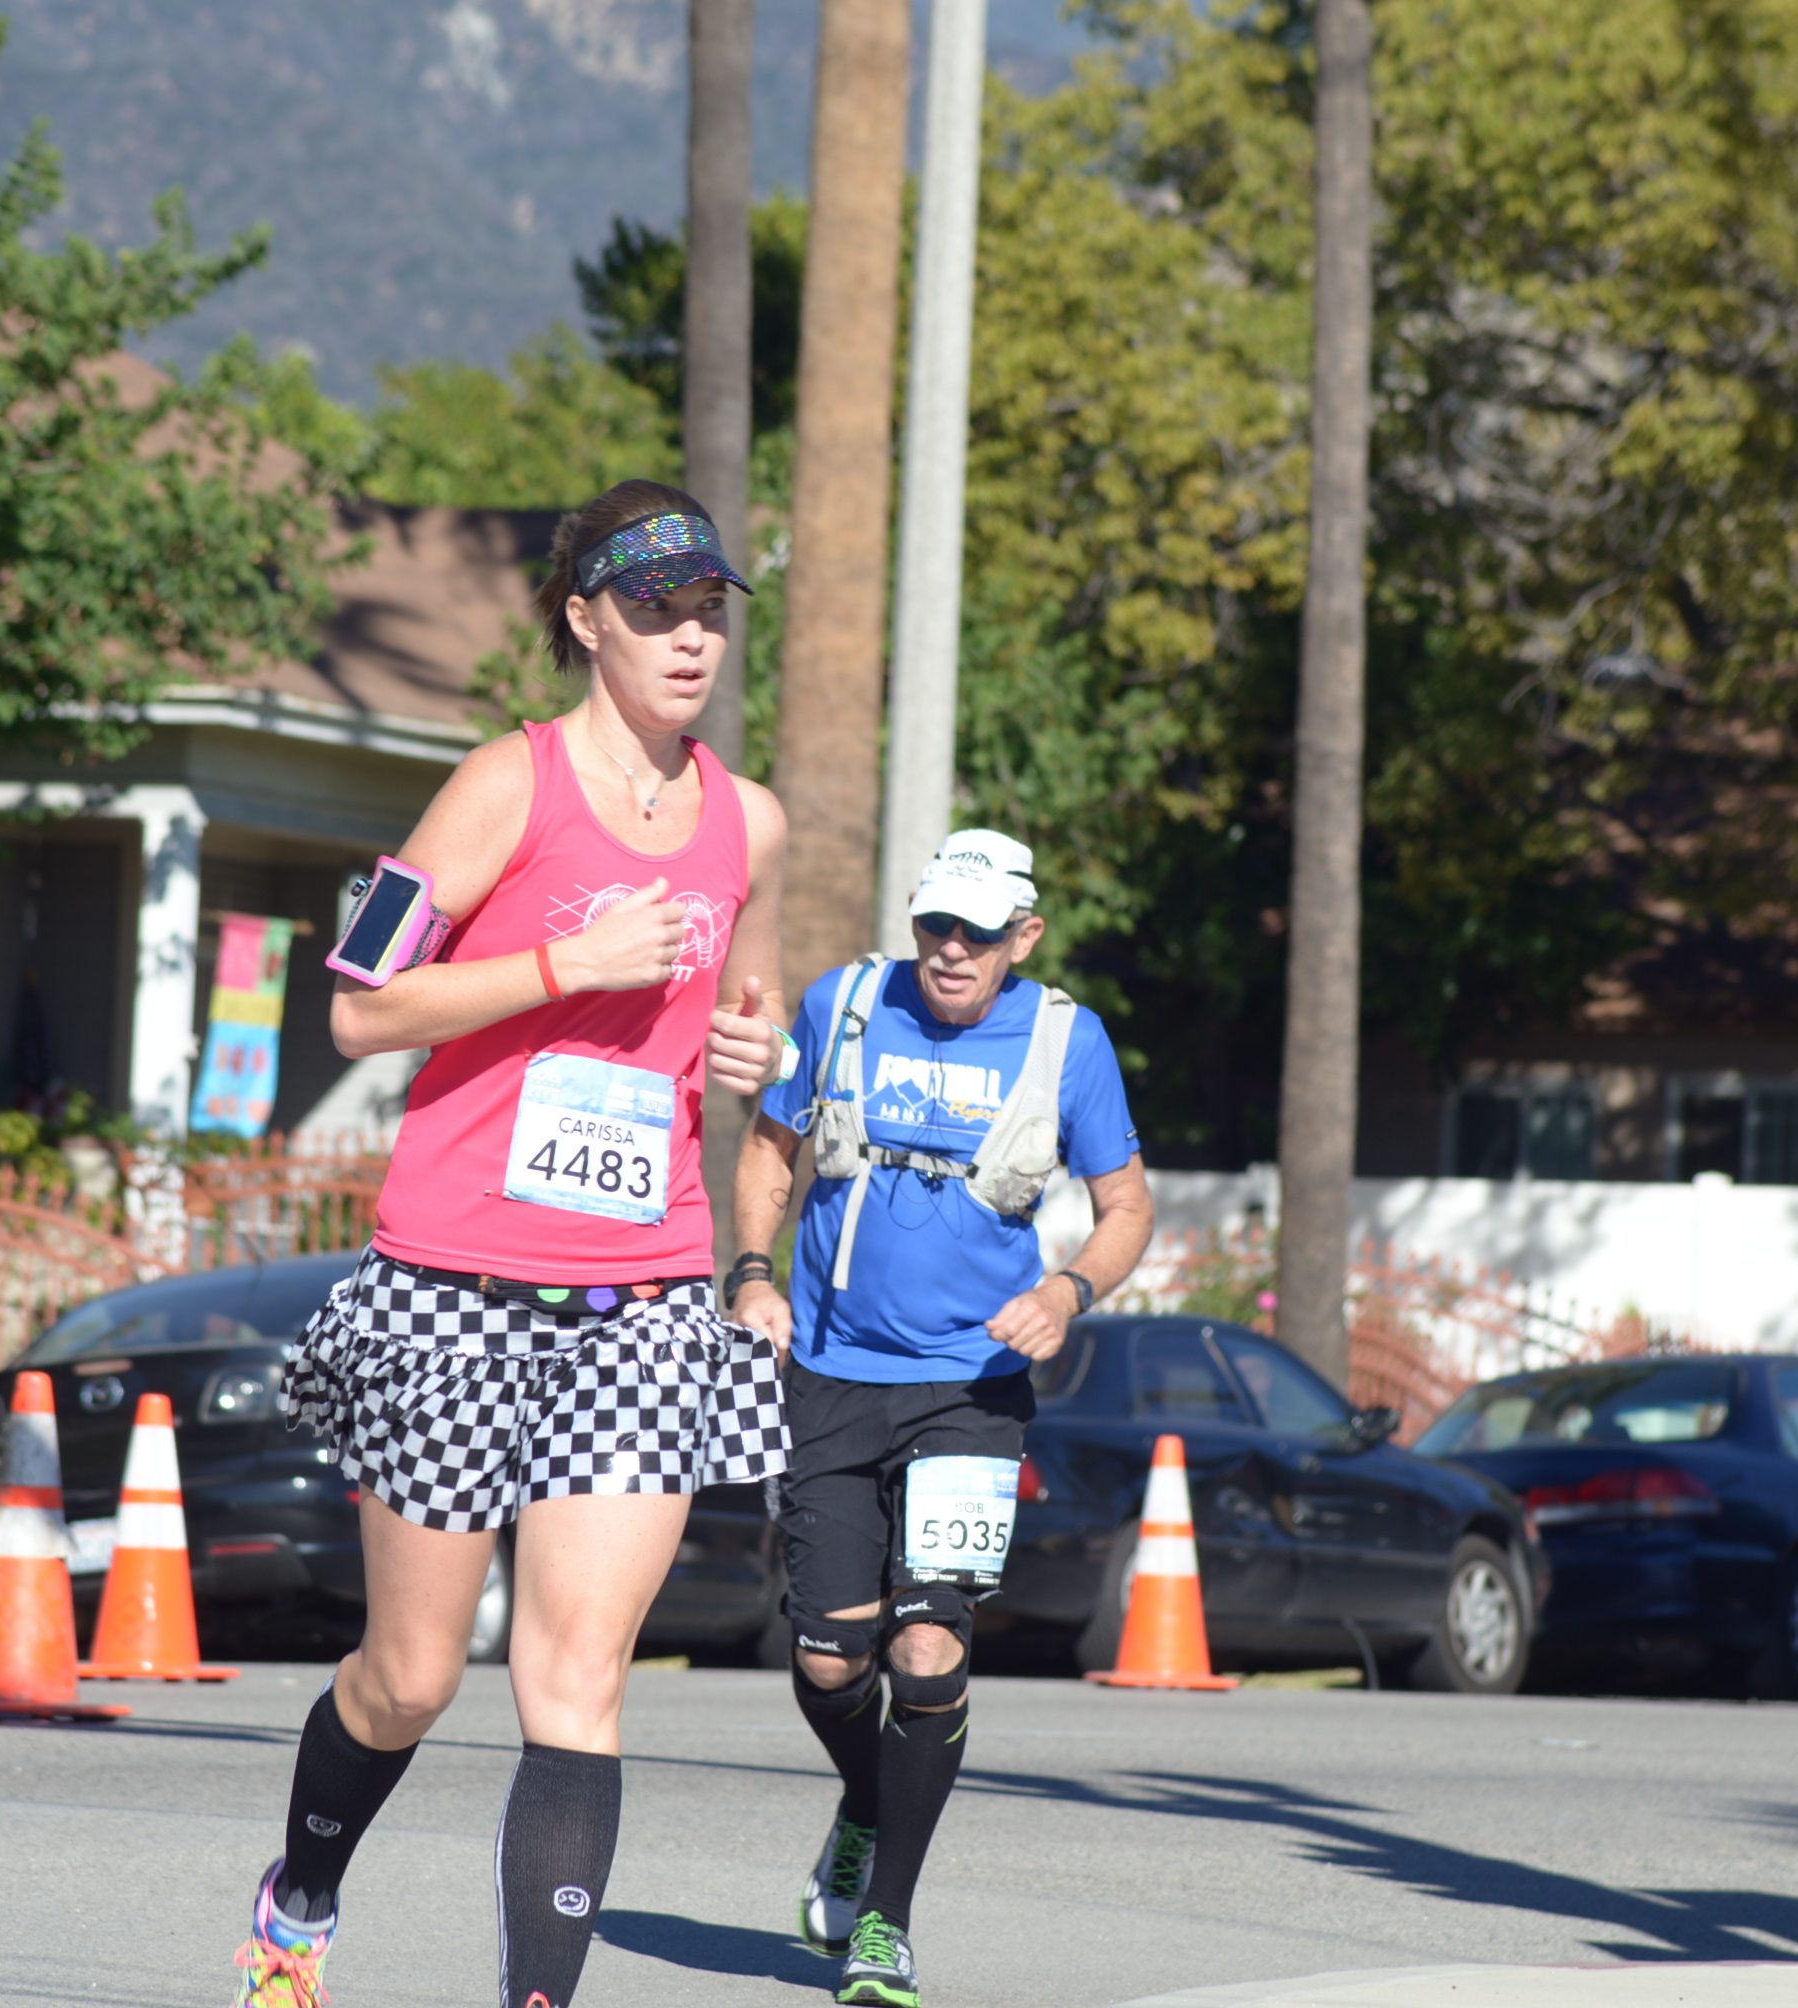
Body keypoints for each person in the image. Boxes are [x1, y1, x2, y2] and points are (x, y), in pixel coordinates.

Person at [238, 481, 794, 2008]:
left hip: (641, 1298)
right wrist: (569, 963)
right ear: (586, 619)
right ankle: (300, 1900)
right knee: (411, 1677)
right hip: (454, 1286)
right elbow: (359, 1009)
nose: (691, 640)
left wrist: (759, 1060)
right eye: (658, 611)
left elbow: (754, 1034)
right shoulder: (506, 783)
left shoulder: (749, 821)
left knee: (578, 1680)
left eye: (708, 611)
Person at [730, 829, 1154, 2008]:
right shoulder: (843, 1004)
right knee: (829, 1658)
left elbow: (1125, 1206)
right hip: (828, 1373)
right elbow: (768, 1147)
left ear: (1024, 935)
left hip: (971, 1389)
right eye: (934, 924)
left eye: (977, 930)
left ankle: (884, 1922)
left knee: (927, 1651)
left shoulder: (1067, 1040)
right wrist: (751, 1272)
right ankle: (866, 1802)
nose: (951, 948)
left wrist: (1066, 1292)